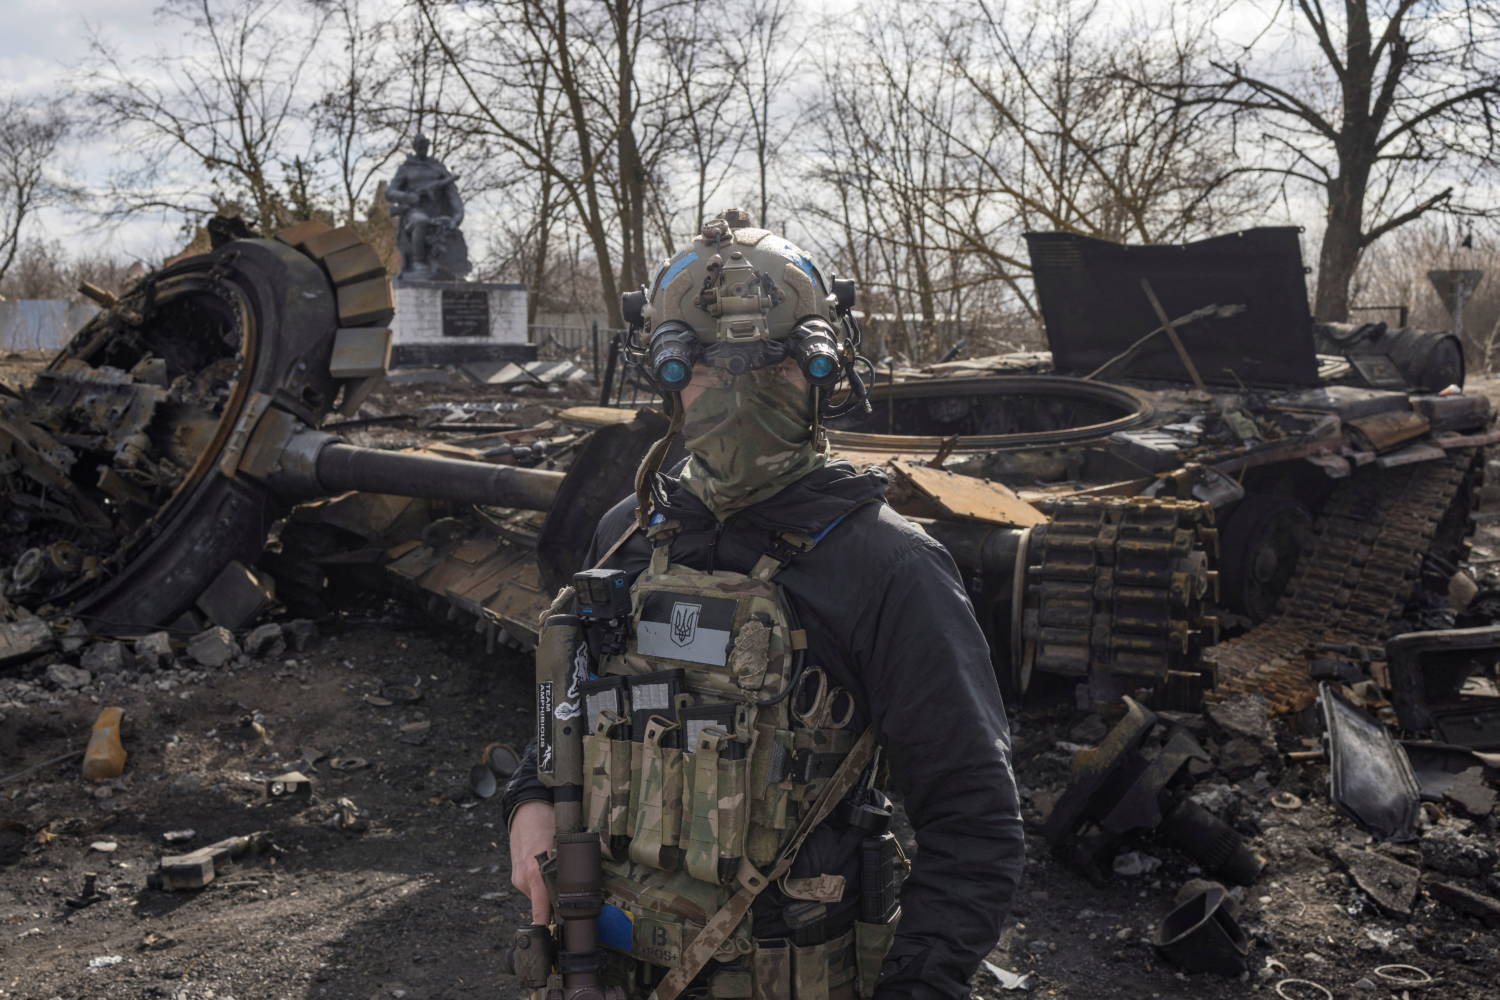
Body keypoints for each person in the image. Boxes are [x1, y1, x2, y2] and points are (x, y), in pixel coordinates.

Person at [501, 210, 1023, 999]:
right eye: (705, 369)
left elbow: (974, 818)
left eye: (774, 366)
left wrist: (922, 985)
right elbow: (559, 721)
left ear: (822, 374)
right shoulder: (629, 533)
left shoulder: (888, 564)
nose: (738, 397)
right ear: (666, 377)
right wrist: (529, 810)